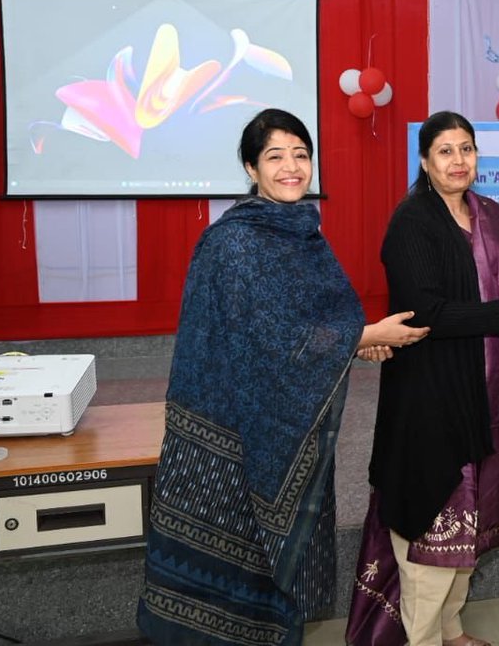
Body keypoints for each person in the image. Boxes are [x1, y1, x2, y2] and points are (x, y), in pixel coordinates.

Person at [137, 108, 429, 646]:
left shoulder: (301, 231)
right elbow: (268, 338)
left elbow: (308, 327)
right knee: (228, 569)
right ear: (251, 167)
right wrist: (361, 338)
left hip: (285, 421)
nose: (292, 167)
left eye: (301, 154)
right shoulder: (236, 242)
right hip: (231, 438)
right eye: (275, 156)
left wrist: (350, 349)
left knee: (273, 575)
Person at [346, 111, 499, 646]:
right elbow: (429, 314)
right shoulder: (411, 224)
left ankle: (451, 630)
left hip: (483, 397)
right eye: (445, 151)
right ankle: (421, 638)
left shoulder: (491, 215)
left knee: (466, 527)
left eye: (466, 149)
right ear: (424, 161)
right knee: (432, 532)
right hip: (428, 399)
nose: (458, 160)